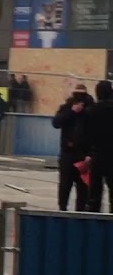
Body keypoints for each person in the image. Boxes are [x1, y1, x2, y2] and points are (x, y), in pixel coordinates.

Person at [52, 83, 94, 211]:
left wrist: (90, 154)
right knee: (65, 185)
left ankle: (81, 212)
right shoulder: (66, 107)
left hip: (84, 155)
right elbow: (56, 123)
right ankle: (62, 208)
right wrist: (72, 111)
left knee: (83, 188)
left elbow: (96, 133)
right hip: (68, 153)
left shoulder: (91, 110)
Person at [85, 80, 113, 212]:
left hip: (97, 155)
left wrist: (87, 153)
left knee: (95, 193)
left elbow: (86, 134)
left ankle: (94, 222)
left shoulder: (91, 111)